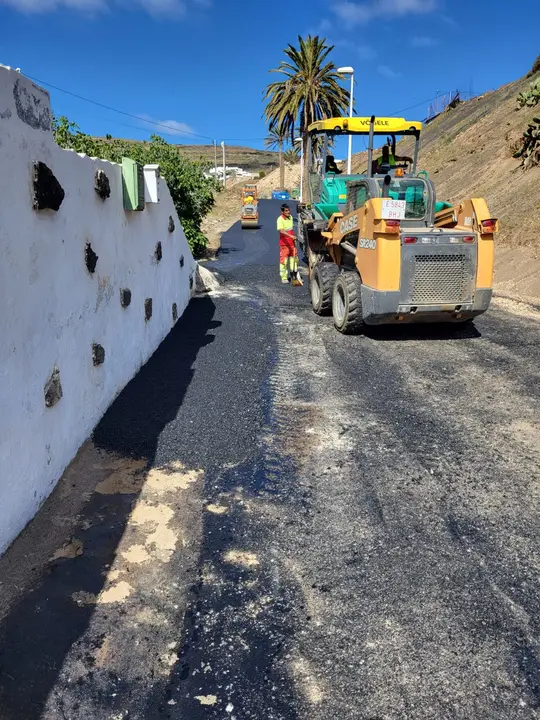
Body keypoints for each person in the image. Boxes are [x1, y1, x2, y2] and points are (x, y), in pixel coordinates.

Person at [277, 204, 302, 285]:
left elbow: (291, 229)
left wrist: (294, 238)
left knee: (294, 259)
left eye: (289, 210)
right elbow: (281, 230)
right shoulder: (280, 219)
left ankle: (294, 275)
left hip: (292, 243)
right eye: (286, 211)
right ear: (282, 212)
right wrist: (291, 236)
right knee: (284, 261)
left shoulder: (290, 217)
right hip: (284, 244)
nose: (288, 212)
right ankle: (284, 277)